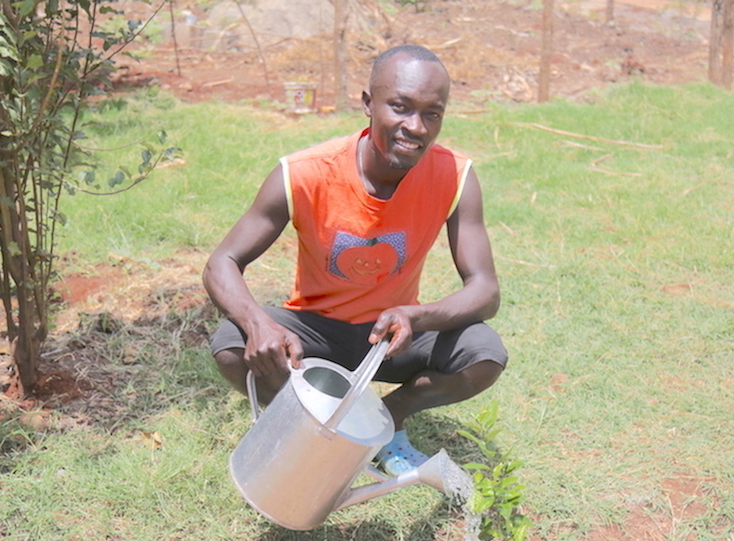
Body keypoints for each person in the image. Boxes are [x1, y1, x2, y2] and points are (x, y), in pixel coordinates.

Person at [203, 44, 507, 475]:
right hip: (314, 333)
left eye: (432, 114)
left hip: (391, 336)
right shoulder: (305, 173)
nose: (415, 127)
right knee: (231, 344)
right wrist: (258, 324)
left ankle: (387, 421)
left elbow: (485, 290)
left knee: (484, 353)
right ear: (368, 103)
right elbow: (222, 262)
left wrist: (414, 316)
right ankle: (309, 424)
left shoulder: (455, 175)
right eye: (400, 108)